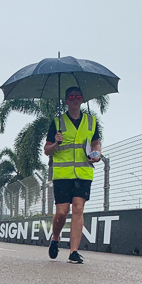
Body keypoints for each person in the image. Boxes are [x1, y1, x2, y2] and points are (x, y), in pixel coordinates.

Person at [44, 86, 102, 264]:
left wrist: (96, 154)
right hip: (63, 174)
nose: (75, 99)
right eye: (71, 97)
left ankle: (74, 251)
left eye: (78, 96)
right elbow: (47, 150)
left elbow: (96, 143)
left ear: (82, 99)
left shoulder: (91, 122)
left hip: (83, 173)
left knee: (78, 208)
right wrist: (55, 143)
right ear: (66, 101)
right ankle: (55, 237)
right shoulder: (57, 122)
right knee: (62, 212)